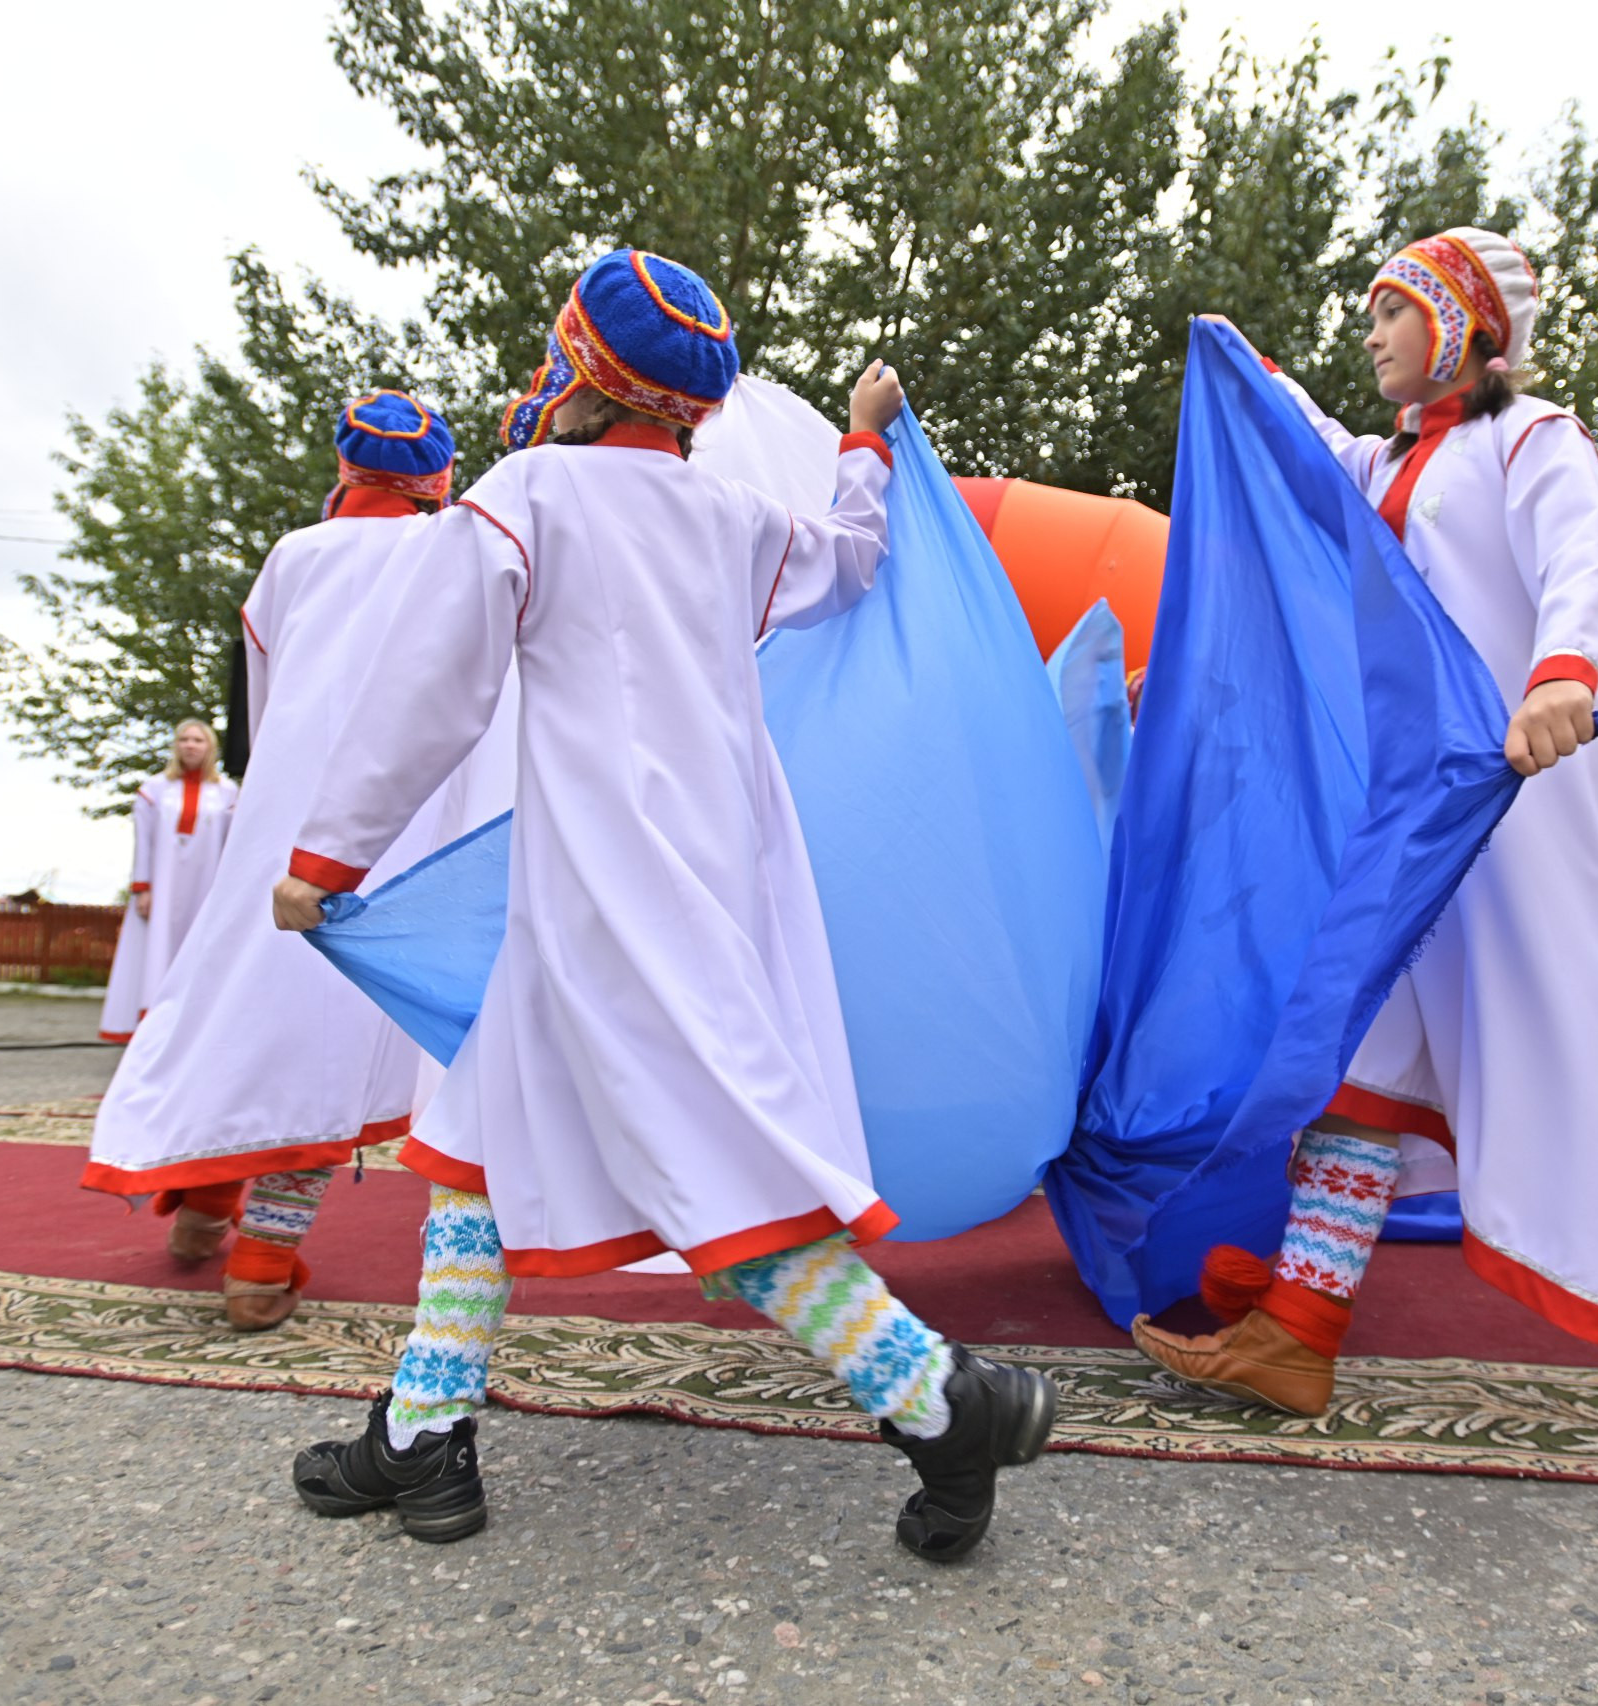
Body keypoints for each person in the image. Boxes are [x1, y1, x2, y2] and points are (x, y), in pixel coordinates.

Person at [272, 249, 1056, 1557]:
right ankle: (425, 1435)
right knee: (472, 1143)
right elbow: (854, 557)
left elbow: (428, 691)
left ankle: (938, 1398)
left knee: (716, 1180)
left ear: (578, 365)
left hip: (606, 900)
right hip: (684, 884)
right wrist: (864, 445)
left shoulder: (530, 494)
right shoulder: (735, 520)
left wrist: (327, 858)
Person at [1133, 228, 1598, 1432]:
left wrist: (1561, 674)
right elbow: (1309, 459)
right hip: (1424, 818)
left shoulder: (1534, 439)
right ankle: (1298, 1332)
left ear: (1463, 323)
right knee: (1366, 1062)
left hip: (1539, 801)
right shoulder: (1388, 465)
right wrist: (1249, 369)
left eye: (1392, 309)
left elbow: (1579, 562)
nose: (1371, 332)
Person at [81, 390, 515, 1330]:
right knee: (332, 1031)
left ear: (344, 469)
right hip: (393, 817)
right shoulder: (454, 547)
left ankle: (202, 1211)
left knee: (241, 999)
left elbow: (263, 701)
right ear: (437, 478)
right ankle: (261, 1264)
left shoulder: (293, 556)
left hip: (281, 817)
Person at [99, 719, 239, 1042]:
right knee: (156, 949)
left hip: (206, 888)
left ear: (210, 747)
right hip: (161, 889)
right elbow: (143, 843)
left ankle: (195, 1028)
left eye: (198, 740)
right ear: (176, 746)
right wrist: (142, 887)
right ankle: (150, 1028)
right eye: (184, 739)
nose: (190, 745)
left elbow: (234, 845)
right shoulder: (154, 790)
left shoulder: (228, 792)